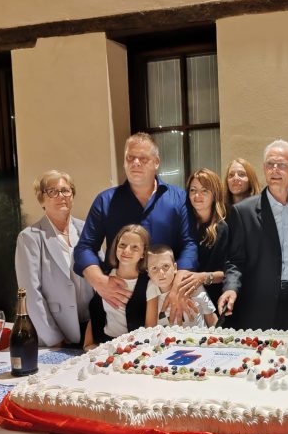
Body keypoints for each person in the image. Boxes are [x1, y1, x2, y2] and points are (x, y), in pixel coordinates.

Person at [74, 132, 198, 324]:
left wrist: (178, 286)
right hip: (119, 299)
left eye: (143, 158)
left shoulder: (179, 198)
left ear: (156, 162)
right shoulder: (105, 200)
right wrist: (99, 281)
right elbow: (84, 248)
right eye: (130, 158)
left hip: (166, 297)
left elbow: (190, 244)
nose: (135, 163)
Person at [219, 139, 288, 331]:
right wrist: (230, 288)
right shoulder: (244, 212)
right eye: (270, 164)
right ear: (264, 169)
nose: (274, 170)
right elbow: (235, 260)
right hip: (260, 303)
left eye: (281, 165)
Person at [15, 170, 95, 347]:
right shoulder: (30, 237)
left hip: (93, 328)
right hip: (59, 334)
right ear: (41, 199)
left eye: (65, 190)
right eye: (52, 191)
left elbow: (101, 273)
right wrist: (54, 339)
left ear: (72, 195)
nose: (61, 196)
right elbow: (31, 294)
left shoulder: (85, 228)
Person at [86, 224, 158, 345]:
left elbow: (150, 328)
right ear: (116, 247)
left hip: (134, 348)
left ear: (143, 253)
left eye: (135, 247)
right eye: (122, 245)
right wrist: (88, 345)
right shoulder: (103, 278)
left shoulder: (149, 284)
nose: (126, 251)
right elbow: (95, 312)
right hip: (104, 345)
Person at [180, 168, 229, 309]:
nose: (197, 195)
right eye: (193, 190)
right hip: (184, 300)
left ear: (215, 194)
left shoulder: (222, 229)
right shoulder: (183, 224)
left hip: (211, 302)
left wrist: (202, 277)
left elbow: (227, 273)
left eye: (204, 191)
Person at [146, 245, 217, 327]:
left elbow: (212, 321)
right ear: (148, 272)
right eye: (154, 268)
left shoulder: (191, 285)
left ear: (175, 268)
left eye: (165, 266)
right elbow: (150, 327)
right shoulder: (152, 287)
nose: (161, 273)